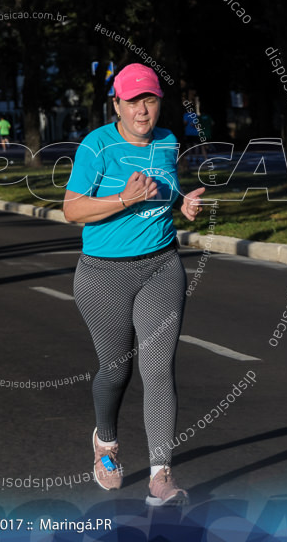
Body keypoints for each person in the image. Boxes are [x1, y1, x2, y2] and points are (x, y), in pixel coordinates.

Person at [63, 63, 206, 507]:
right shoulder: (97, 146)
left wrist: (182, 204)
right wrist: (125, 198)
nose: (143, 110)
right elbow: (72, 210)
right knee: (116, 370)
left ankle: (161, 475)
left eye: (150, 100)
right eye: (133, 101)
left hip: (161, 266)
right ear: (117, 105)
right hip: (103, 273)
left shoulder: (167, 141)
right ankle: (105, 444)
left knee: (158, 368)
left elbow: (165, 187)